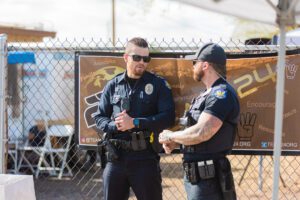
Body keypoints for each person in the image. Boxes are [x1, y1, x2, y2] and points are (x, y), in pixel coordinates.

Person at [94, 37, 175, 200]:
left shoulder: (158, 85)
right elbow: (100, 117)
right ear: (126, 57)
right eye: (137, 57)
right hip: (115, 158)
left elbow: (168, 117)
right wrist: (115, 126)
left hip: (144, 158)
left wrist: (135, 122)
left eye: (146, 59)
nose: (142, 62)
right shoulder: (113, 85)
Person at [159, 43, 240, 200]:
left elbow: (202, 132)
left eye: (194, 62)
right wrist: (178, 142)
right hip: (197, 178)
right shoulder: (205, 95)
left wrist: (171, 136)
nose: (192, 66)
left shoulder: (221, 94)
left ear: (205, 65)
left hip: (209, 180)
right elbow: (195, 133)